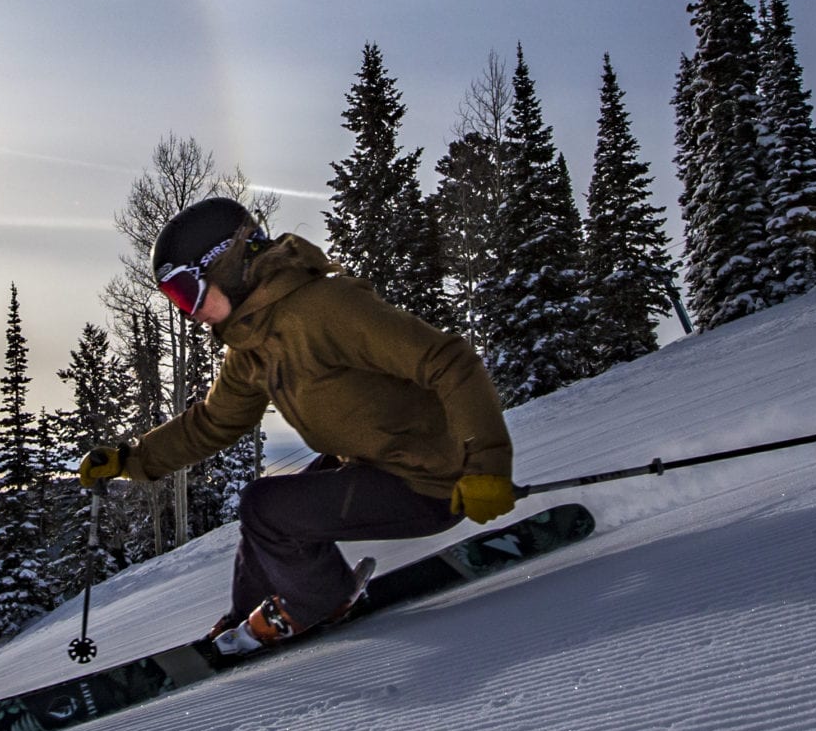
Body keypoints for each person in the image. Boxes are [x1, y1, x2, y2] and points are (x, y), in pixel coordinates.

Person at [79, 196, 519, 655]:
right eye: (175, 299)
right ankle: (244, 620)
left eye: (187, 291)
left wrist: (485, 465)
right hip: (374, 464)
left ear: (226, 264)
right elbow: (212, 422)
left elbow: (448, 360)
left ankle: (317, 599)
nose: (188, 312)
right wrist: (131, 460)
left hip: (430, 479)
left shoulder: (324, 308)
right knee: (265, 516)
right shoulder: (252, 344)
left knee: (266, 508)